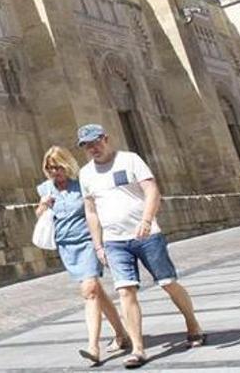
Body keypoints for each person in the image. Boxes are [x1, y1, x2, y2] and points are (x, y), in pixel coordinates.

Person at [78, 124, 205, 369]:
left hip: (148, 236)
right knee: (125, 291)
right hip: (114, 241)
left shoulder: (130, 160)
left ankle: (192, 323)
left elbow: (152, 191)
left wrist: (147, 221)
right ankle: (138, 348)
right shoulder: (86, 174)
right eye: (86, 145)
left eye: (95, 142)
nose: (92, 148)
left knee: (168, 283)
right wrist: (98, 245)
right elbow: (90, 211)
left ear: (106, 138)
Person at [35, 145, 129, 365]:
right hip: (66, 245)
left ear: (66, 165)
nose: (54, 172)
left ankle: (93, 347)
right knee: (96, 292)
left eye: (57, 167)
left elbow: (95, 212)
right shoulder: (45, 189)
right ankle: (121, 334)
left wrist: (102, 242)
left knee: (89, 290)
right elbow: (40, 215)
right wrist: (43, 206)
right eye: (49, 168)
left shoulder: (82, 185)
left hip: (87, 241)